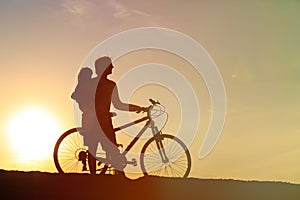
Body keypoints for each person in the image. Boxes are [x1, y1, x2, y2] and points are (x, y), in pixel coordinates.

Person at [94, 56, 143, 176]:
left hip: (98, 118)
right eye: (110, 65)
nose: (113, 67)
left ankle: (110, 175)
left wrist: (135, 107)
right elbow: (118, 105)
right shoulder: (110, 85)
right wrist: (136, 108)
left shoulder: (93, 82)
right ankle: (120, 177)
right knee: (112, 148)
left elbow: (117, 105)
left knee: (107, 147)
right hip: (103, 120)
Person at [71, 67, 99, 174]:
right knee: (92, 145)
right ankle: (92, 172)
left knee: (93, 144)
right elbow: (74, 95)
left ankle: (92, 170)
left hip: (92, 115)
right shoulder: (82, 86)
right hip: (89, 117)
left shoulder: (86, 86)